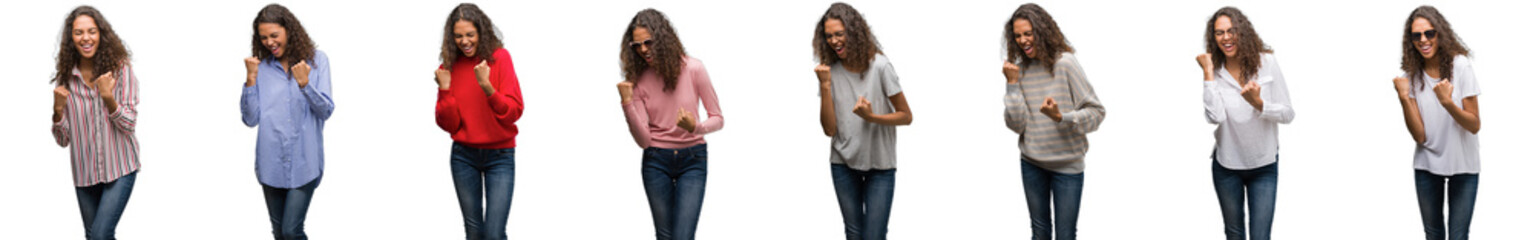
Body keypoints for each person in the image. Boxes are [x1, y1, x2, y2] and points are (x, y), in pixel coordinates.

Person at [616, 8, 724, 240]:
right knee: (665, 236)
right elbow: (644, 140)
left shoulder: (694, 68)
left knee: (683, 236)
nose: (643, 49)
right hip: (656, 160)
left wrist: (695, 127)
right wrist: (627, 103)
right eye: (637, 45)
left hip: (693, 160)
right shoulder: (638, 81)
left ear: (663, 38)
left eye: (648, 42)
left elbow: (718, 118)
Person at [1000, 3, 1105, 240]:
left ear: (1042, 31)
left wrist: (1061, 117)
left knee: (1065, 235)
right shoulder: (1019, 71)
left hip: (1067, 166)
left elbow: (1097, 113)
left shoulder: (1065, 63)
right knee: (1039, 233)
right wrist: (1012, 84)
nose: (1023, 41)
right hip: (1031, 163)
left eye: (1028, 33)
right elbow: (1016, 125)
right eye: (1017, 36)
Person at [813, 3, 913, 239]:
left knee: (874, 235)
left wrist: (871, 117)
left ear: (854, 31)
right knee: (854, 233)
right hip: (842, 164)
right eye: (829, 36)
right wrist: (825, 85)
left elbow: (906, 116)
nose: (834, 41)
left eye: (839, 34)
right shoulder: (830, 71)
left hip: (880, 165)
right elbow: (829, 130)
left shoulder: (880, 66)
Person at [1195, 7, 1295, 240]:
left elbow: (1288, 114)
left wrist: (1259, 104)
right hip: (1227, 166)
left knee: (1261, 236)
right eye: (1219, 33)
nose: (1226, 37)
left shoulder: (1266, 62)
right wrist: (1208, 72)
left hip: (1263, 165)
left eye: (1231, 31)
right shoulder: (1215, 69)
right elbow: (1214, 117)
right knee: (1234, 234)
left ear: (1243, 31)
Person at [239, 4, 335, 239]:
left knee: (291, 231)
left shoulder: (317, 61)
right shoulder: (261, 68)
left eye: (274, 35)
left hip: (304, 162)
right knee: (279, 233)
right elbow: (250, 119)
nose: (269, 42)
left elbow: (326, 111)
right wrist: (250, 79)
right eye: (263, 38)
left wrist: (305, 84)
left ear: (289, 30)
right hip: (271, 162)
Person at [433, 3, 526, 240]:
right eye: (458, 36)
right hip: (464, 156)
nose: (464, 41)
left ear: (481, 32)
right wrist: (445, 89)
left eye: (470, 34)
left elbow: (514, 112)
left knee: (494, 234)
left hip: (500, 156)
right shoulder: (449, 67)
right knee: (474, 232)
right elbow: (449, 125)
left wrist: (487, 86)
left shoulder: (500, 58)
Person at [50, 5, 142, 240]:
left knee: (100, 235)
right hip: (84, 172)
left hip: (120, 167)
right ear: (71, 38)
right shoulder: (66, 79)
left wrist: (108, 97)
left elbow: (129, 124)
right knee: (94, 236)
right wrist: (57, 111)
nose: (86, 38)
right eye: (78, 32)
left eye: (92, 31)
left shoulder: (120, 70)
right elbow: (63, 140)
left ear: (101, 34)